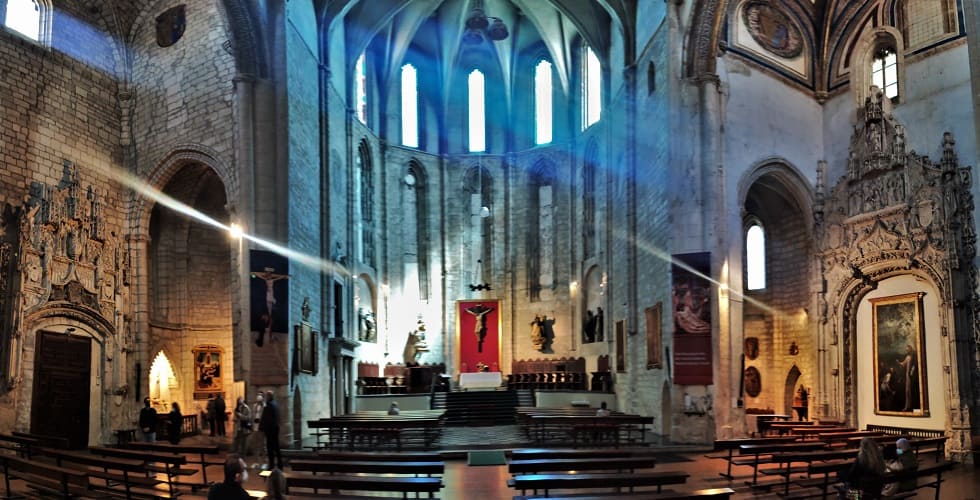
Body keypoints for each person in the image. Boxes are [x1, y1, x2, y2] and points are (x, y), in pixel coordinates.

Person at [260, 390, 283, 470]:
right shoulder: (275, 404)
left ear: (269, 396)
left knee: (270, 448)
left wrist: (262, 428)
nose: (265, 397)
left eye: (266, 396)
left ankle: (271, 465)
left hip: (270, 429)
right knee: (276, 447)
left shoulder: (269, 405)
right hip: (275, 428)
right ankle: (280, 464)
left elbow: (266, 418)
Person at [249, 391, 266, 469]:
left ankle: (264, 462)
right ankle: (255, 462)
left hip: (261, 428)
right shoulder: (254, 405)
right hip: (255, 427)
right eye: (258, 395)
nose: (258, 397)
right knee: (255, 445)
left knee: (262, 445)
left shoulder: (265, 406)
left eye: (260, 395)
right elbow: (253, 415)